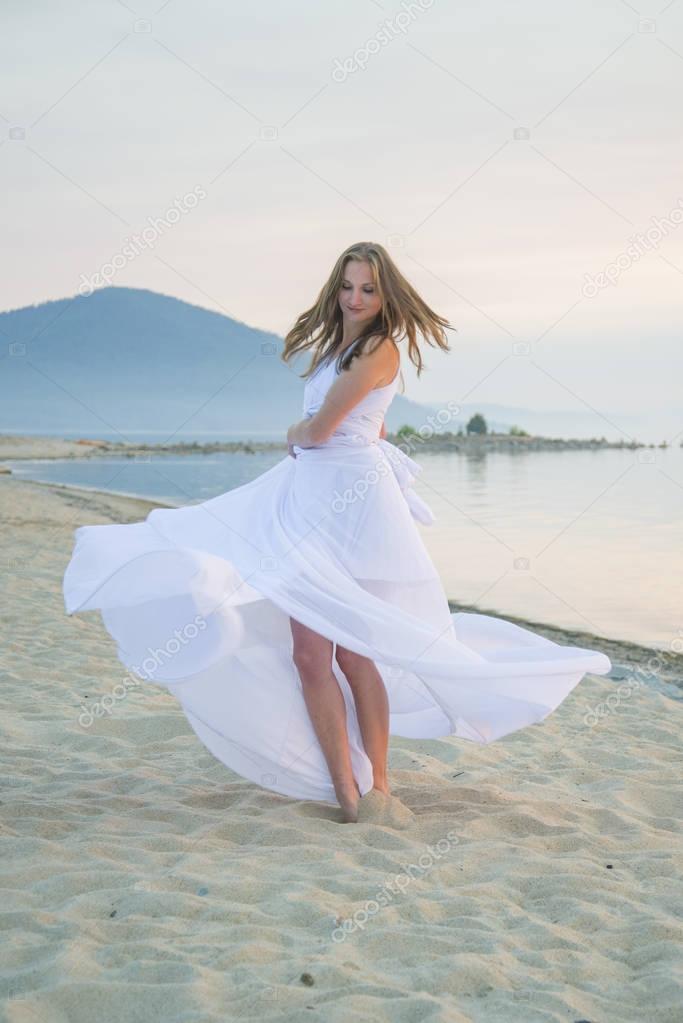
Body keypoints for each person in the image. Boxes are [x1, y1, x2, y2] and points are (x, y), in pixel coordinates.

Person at [63, 241, 611, 824]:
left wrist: (294, 430)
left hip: (349, 513)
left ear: (385, 294)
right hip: (312, 501)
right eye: (348, 286)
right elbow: (363, 428)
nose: (356, 298)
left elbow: (322, 431)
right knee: (308, 654)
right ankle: (345, 788)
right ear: (335, 288)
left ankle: (376, 785)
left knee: (353, 653)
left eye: (369, 289)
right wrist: (326, 439)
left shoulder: (377, 348)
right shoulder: (338, 347)